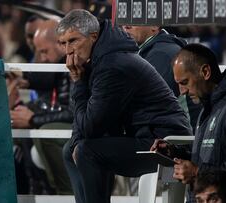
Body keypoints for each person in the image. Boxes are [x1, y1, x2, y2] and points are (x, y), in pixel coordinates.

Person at [57, 9, 192, 203]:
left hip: (164, 144)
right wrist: (76, 142)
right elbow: (87, 126)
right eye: (63, 43)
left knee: (87, 151)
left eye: (73, 41)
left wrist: (79, 82)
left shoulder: (112, 64)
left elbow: (90, 126)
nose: (68, 51)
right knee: (72, 149)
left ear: (93, 36)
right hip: (143, 136)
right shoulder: (101, 58)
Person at [151, 44, 226, 202]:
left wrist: (198, 172)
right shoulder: (210, 105)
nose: (182, 91)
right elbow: (215, 155)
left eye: (184, 82)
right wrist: (177, 153)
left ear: (205, 72)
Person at [9, 19, 73, 195]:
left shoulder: (76, 65)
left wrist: (33, 119)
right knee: (21, 127)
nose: (42, 57)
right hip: (66, 126)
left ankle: (64, 194)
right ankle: (37, 191)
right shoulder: (59, 66)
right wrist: (25, 78)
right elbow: (49, 79)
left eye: (44, 51)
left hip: (82, 134)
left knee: (44, 132)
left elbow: (73, 112)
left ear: (61, 43)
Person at [122, 25, 201, 130]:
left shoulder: (161, 54)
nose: (126, 26)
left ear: (154, 25)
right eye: (124, 20)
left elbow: (149, 106)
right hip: (162, 131)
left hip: (177, 138)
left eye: (134, 20)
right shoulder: (151, 50)